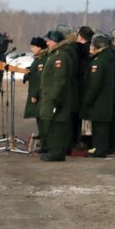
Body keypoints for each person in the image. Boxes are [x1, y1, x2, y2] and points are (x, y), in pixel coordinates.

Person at [37, 30, 78, 162]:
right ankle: (54, 150)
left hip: (56, 97)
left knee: (57, 125)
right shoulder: (55, 54)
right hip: (51, 96)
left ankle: (57, 152)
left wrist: (55, 97)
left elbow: (60, 79)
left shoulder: (60, 56)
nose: (47, 43)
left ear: (55, 41)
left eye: (49, 40)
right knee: (52, 123)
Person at [4, 37, 48, 150]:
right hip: (38, 93)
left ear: (39, 47)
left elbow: (39, 80)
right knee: (39, 118)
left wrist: (34, 95)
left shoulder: (42, 59)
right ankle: (43, 140)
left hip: (39, 94)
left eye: (33, 46)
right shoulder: (38, 58)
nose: (31, 48)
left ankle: (45, 143)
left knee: (42, 119)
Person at [81, 33, 115, 158]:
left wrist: (87, 99)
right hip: (105, 98)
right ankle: (101, 147)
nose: (91, 47)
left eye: (93, 45)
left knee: (99, 126)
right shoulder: (108, 58)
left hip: (99, 100)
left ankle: (100, 150)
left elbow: (95, 84)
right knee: (102, 124)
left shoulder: (99, 62)